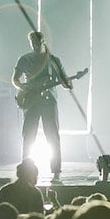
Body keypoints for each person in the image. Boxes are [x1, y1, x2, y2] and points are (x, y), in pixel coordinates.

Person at [12, 30, 72, 182]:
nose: (34, 45)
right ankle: (25, 172)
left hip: (48, 101)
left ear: (42, 41)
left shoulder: (53, 60)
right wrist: (23, 87)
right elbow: (15, 79)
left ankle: (56, 171)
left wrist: (68, 83)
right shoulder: (24, 59)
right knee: (28, 136)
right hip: (31, 101)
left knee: (52, 136)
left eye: (36, 43)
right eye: (32, 43)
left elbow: (65, 82)